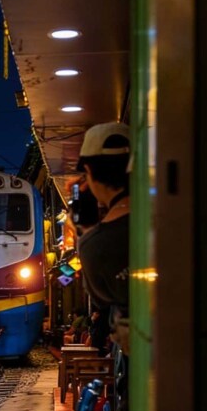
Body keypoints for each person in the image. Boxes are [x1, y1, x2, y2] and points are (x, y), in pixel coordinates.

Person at [76, 122, 130, 312]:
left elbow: (101, 302)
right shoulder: (172, 215)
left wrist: (87, 228)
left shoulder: (93, 245)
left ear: (89, 171)